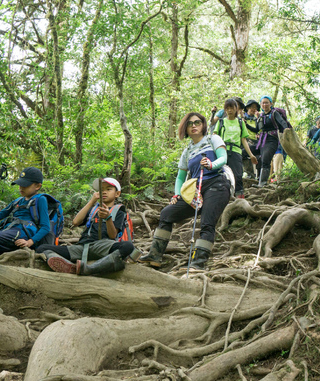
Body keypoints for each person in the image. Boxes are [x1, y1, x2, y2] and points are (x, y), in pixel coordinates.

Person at [138, 112, 230, 270]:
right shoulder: (187, 151)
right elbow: (180, 177)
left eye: (197, 122)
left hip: (217, 184)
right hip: (196, 190)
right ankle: (155, 255)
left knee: (207, 223)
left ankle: (198, 264)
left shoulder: (212, 139)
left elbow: (223, 158)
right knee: (167, 214)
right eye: (190, 123)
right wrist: (177, 194)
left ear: (203, 125)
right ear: (185, 128)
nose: (194, 126)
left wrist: (211, 164)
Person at [37, 177, 133, 276]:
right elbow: (75, 222)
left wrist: (108, 218)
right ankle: (71, 267)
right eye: (102, 189)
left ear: (117, 194)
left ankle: (90, 268)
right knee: (42, 248)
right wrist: (91, 202)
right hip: (82, 247)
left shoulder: (118, 211)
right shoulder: (93, 210)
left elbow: (113, 236)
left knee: (127, 246)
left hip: (103, 246)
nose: (104, 192)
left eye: (108, 189)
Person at [214, 98, 257, 199]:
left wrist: (251, 155)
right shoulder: (221, 122)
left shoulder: (240, 122)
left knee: (238, 175)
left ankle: (239, 199)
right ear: (225, 109)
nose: (229, 110)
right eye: (227, 108)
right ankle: (224, 197)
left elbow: (244, 140)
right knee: (222, 175)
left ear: (236, 109)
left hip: (236, 151)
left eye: (232, 108)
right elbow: (215, 137)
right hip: (222, 151)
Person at [254, 96, 291, 186]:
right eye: (263, 103)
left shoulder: (274, 113)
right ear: (261, 104)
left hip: (272, 140)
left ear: (271, 104)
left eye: (267, 102)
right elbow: (257, 129)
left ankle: (262, 184)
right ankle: (260, 181)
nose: (265, 104)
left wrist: (286, 130)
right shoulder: (262, 116)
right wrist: (246, 124)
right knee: (261, 159)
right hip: (263, 140)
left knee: (266, 159)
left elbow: (282, 122)